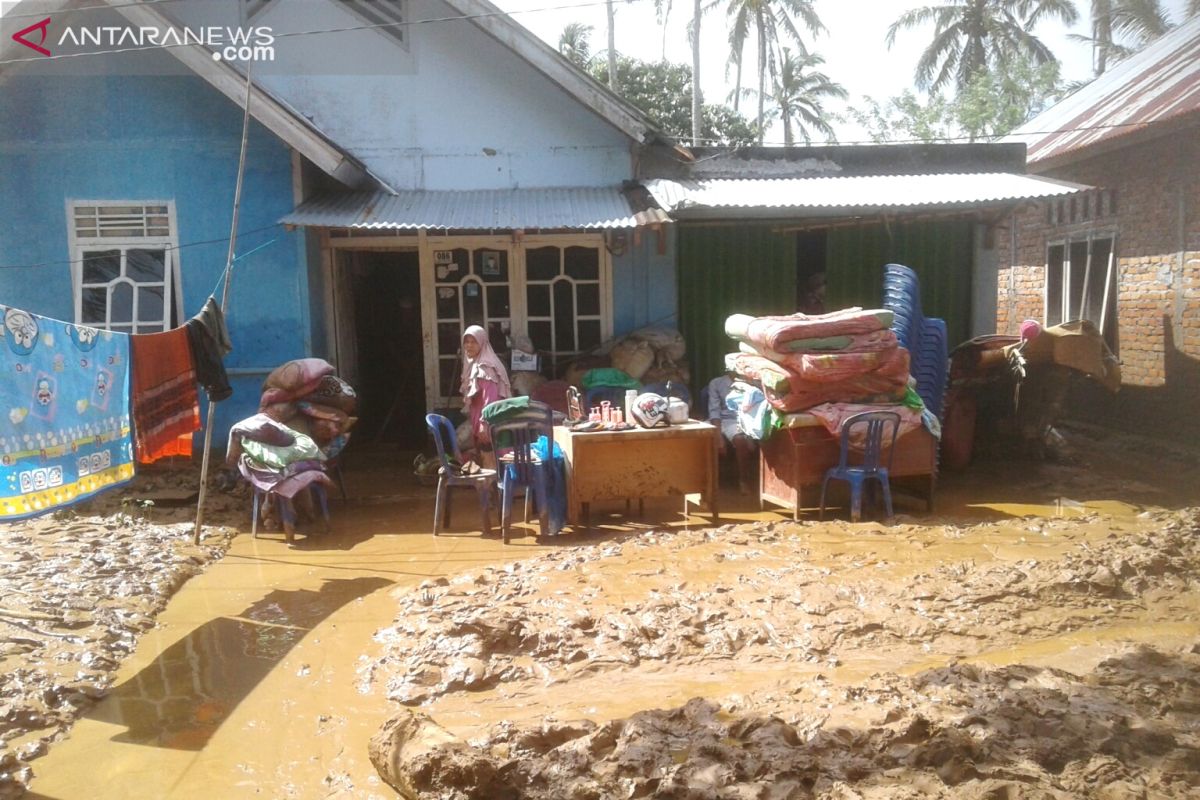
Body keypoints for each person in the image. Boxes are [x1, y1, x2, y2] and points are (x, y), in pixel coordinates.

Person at [460, 324, 511, 459]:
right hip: (485, 423)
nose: (469, 346)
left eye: (473, 342)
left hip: (490, 425)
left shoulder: (485, 367)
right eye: (466, 342)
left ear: (482, 343)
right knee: (487, 460)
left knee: (493, 462)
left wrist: (484, 424)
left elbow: (491, 399)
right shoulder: (474, 363)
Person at [706, 371, 756, 495]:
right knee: (701, 436)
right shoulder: (717, 383)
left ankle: (744, 481)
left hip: (739, 420)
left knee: (740, 439)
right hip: (719, 420)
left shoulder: (753, 383)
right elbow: (714, 411)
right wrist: (718, 437)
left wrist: (749, 434)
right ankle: (705, 483)